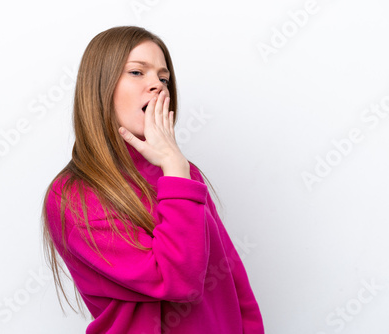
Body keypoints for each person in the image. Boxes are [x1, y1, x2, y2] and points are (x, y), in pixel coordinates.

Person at [41, 25, 264, 333]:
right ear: (100, 86)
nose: (157, 86)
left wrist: (175, 168)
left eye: (163, 78)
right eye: (137, 72)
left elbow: (230, 277)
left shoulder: (182, 173)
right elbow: (179, 281)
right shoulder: (72, 196)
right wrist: (175, 166)